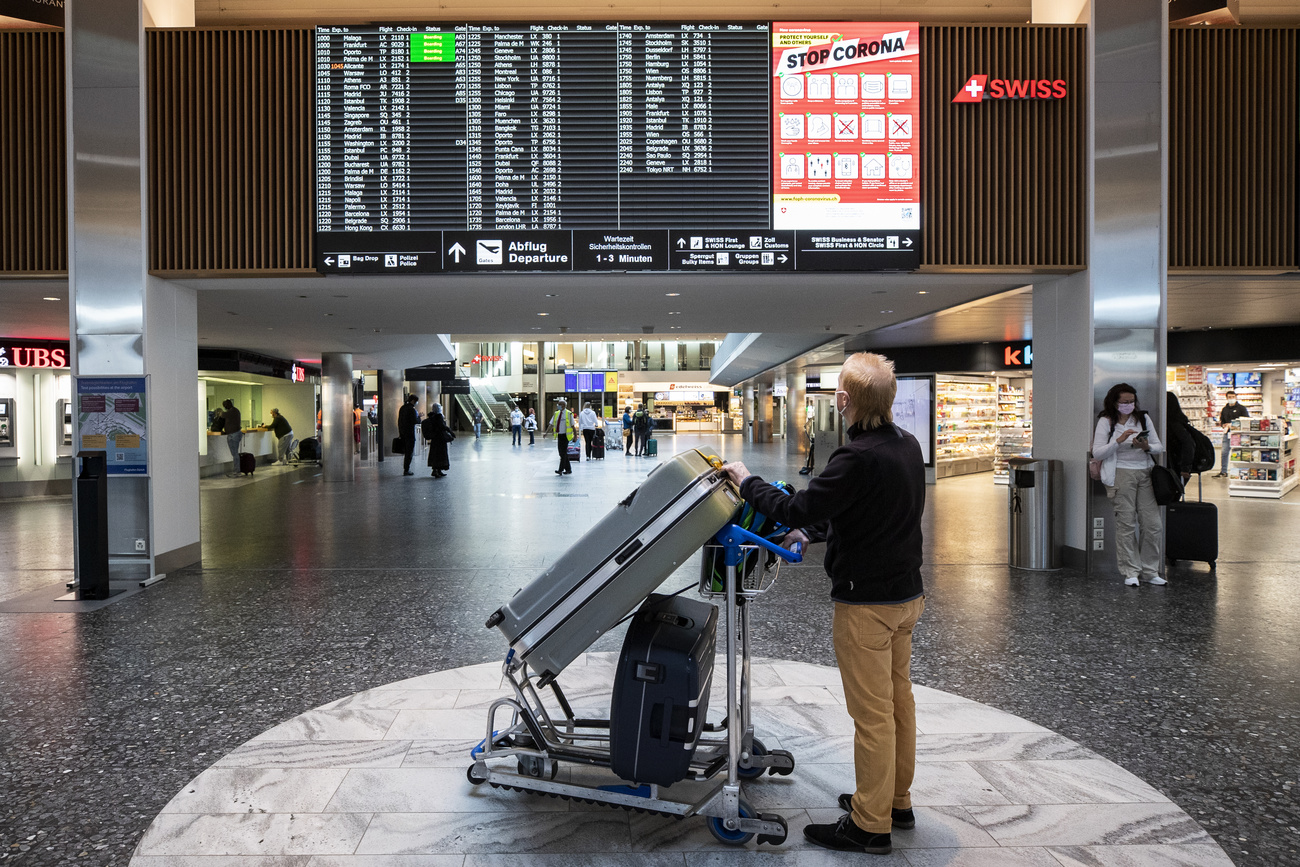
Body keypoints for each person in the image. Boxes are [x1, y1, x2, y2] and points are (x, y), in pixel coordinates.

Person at [721, 352, 925, 856]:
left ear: (845, 401)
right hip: (906, 596)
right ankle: (893, 800)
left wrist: (747, 480)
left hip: (866, 606)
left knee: (872, 715)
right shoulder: (906, 446)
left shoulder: (856, 457)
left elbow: (795, 505)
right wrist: (813, 530)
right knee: (898, 703)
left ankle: (869, 826)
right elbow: (861, 510)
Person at [1091, 383, 1165, 587]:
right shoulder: (1106, 421)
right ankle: (1130, 571)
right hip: (1120, 474)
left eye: (1131, 401)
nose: (1128, 405)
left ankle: (1150, 571)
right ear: (1114, 402)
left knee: (1153, 525)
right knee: (1126, 523)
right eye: (1124, 402)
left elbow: (1159, 447)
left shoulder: (1143, 418)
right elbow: (1097, 452)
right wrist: (1119, 440)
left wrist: (1146, 446)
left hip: (1145, 473)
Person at [1215, 389, 1250, 477]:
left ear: (1236, 397)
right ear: (1226, 398)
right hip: (1227, 434)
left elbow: (1246, 421)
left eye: (1233, 397)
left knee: (1239, 453)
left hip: (1239, 434)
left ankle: (1241, 471)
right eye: (1229, 397)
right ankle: (1223, 471)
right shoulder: (1224, 409)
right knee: (1224, 452)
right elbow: (1222, 420)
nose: (1231, 398)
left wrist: (1233, 425)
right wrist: (1223, 425)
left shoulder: (1241, 408)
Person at [1165, 392, 1195, 486]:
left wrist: (1185, 468)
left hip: (1175, 466)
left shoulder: (1174, 425)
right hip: (1178, 466)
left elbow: (1188, 443)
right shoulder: (1180, 421)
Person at [423, 402, 453, 478]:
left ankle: (437, 470)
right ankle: (437, 470)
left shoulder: (432, 416)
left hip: (435, 439)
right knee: (440, 455)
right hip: (440, 439)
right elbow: (442, 426)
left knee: (435, 454)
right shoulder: (439, 416)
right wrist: (450, 431)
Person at [548, 398, 575, 475]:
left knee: (563, 453)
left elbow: (573, 426)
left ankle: (560, 469)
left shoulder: (569, 414)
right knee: (562, 453)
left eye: (559, 404)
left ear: (563, 405)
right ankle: (568, 469)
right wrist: (546, 433)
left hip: (566, 436)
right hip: (559, 435)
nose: (558, 406)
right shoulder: (556, 413)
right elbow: (551, 424)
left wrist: (575, 436)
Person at [397, 394, 419, 476]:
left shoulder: (402, 408)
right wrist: (419, 417)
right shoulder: (412, 409)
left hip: (403, 432)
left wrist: (400, 432)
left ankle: (406, 468)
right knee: (409, 452)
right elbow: (415, 421)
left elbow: (399, 421)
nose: (417, 403)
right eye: (416, 401)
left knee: (406, 451)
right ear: (413, 401)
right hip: (410, 433)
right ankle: (406, 469)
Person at [221, 399, 243, 477]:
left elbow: (223, 415)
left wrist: (218, 413)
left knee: (235, 454)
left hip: (234, 435)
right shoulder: (235, 411)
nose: (225, 407)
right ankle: (237, 470)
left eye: (225, 406)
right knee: (234, 453)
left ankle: (237, 471)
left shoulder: (232, 411)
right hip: (233, 434)